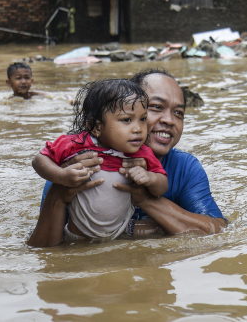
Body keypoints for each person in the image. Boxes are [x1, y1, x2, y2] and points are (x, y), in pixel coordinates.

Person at [27, 68, 225, 247]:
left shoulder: (184, 168)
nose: (169, 120)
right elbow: (43, 253)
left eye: (179, 113)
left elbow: (218, 231)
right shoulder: (76, 165)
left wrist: (145, 199)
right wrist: (59, 192)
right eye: (155, 107)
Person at [32, 79, 168, 241]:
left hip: (121, 234)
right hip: (77, 237)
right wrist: (61, 176)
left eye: (143, 119)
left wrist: (151, 178)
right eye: (126, 120)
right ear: (96, 127)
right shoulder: (77, 144)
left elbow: (162, 187)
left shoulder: (142, 152)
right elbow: (39, 160)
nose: (138, 128)